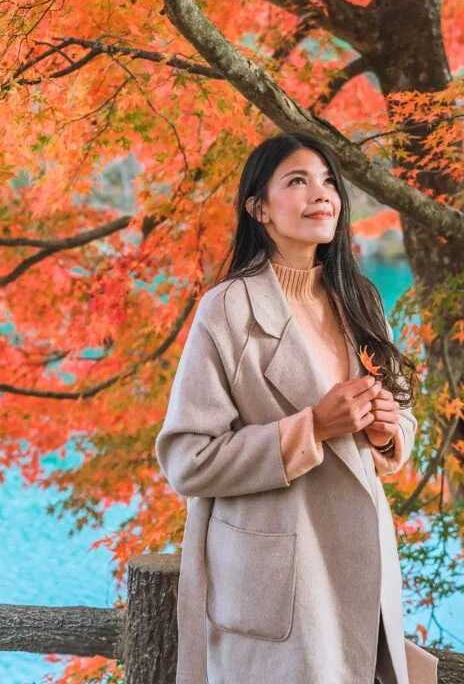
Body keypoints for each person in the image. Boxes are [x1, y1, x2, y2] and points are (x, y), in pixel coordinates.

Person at [155, 131, 439, 684]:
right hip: (279, 580)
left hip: (361, 566)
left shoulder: (360, 297)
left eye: (329, 181)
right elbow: (187, 459)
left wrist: (385, 431)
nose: (322, 194)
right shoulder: (227, 310)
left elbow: (402, 415)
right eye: (298, 181)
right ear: (259, 208)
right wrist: (310, 428)